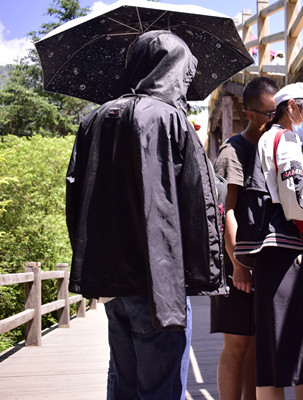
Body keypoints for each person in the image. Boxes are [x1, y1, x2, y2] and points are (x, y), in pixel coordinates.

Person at [66, 31, 221, 398]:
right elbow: (199, 200)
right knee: (160, 386)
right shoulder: (172, 120)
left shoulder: (93, 120)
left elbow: (76, 199)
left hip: (110, 280)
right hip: (159, 281)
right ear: (174, 70)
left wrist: (91, 265)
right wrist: (204, 274)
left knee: (124, 382)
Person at [235, 82, 303, 400]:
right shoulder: (287, 140)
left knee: (274, 356)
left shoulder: (269, 138)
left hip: (271, 254)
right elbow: (298, 202)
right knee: (296, 350)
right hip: (287, 254)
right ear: (292, 107)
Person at [210, 77, 280, 400]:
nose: (275, 119)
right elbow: (226, 211)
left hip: (262, 262)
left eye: (278, 112)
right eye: (269, 113)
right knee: (236, 345)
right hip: (236, 263)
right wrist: (239, 264)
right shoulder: (233, 152)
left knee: (255, 346)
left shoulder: (273, 148)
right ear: (250, 114)